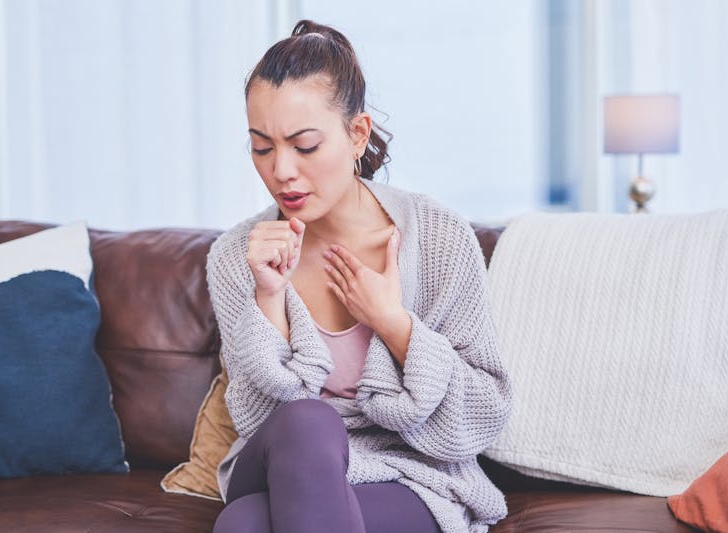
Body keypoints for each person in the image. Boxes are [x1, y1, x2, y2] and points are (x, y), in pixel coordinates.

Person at [208, 19, 512, 533]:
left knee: (244, 526)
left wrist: (395, 325)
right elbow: (259, 423)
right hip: (271, 466)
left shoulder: (437, 237)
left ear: (357, 135)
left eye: (304, 146)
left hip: (407, 474)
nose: (281, 171)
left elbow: (483, 416)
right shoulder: (237, 256)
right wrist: (268, 299)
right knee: (308, 422)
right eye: (261, 147)